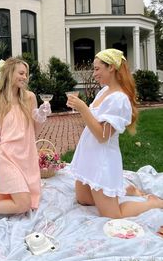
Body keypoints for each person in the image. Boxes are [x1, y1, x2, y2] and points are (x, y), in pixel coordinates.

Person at [66, 48, 163, 218]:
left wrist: (82, 108)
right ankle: (128, 190)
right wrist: (82, 109)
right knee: (83, 199)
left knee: (112, 215)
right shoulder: (104, 91)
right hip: (89, 155)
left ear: (111, 67)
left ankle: (153, 202)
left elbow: (103, 137)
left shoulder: (119, 99)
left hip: (102, 160)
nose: (94, 74)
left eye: (97, 69)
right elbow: (94, 121)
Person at [0, 57, 51, 215]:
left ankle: (6, 200)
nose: (25, 77)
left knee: (27, 201)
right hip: (4, 155)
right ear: (9, 73)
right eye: (21, 73)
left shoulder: (29, 97)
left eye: (26, 74)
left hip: (24, 154)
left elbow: (34, 130)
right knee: (23, 204)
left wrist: (40, 116)